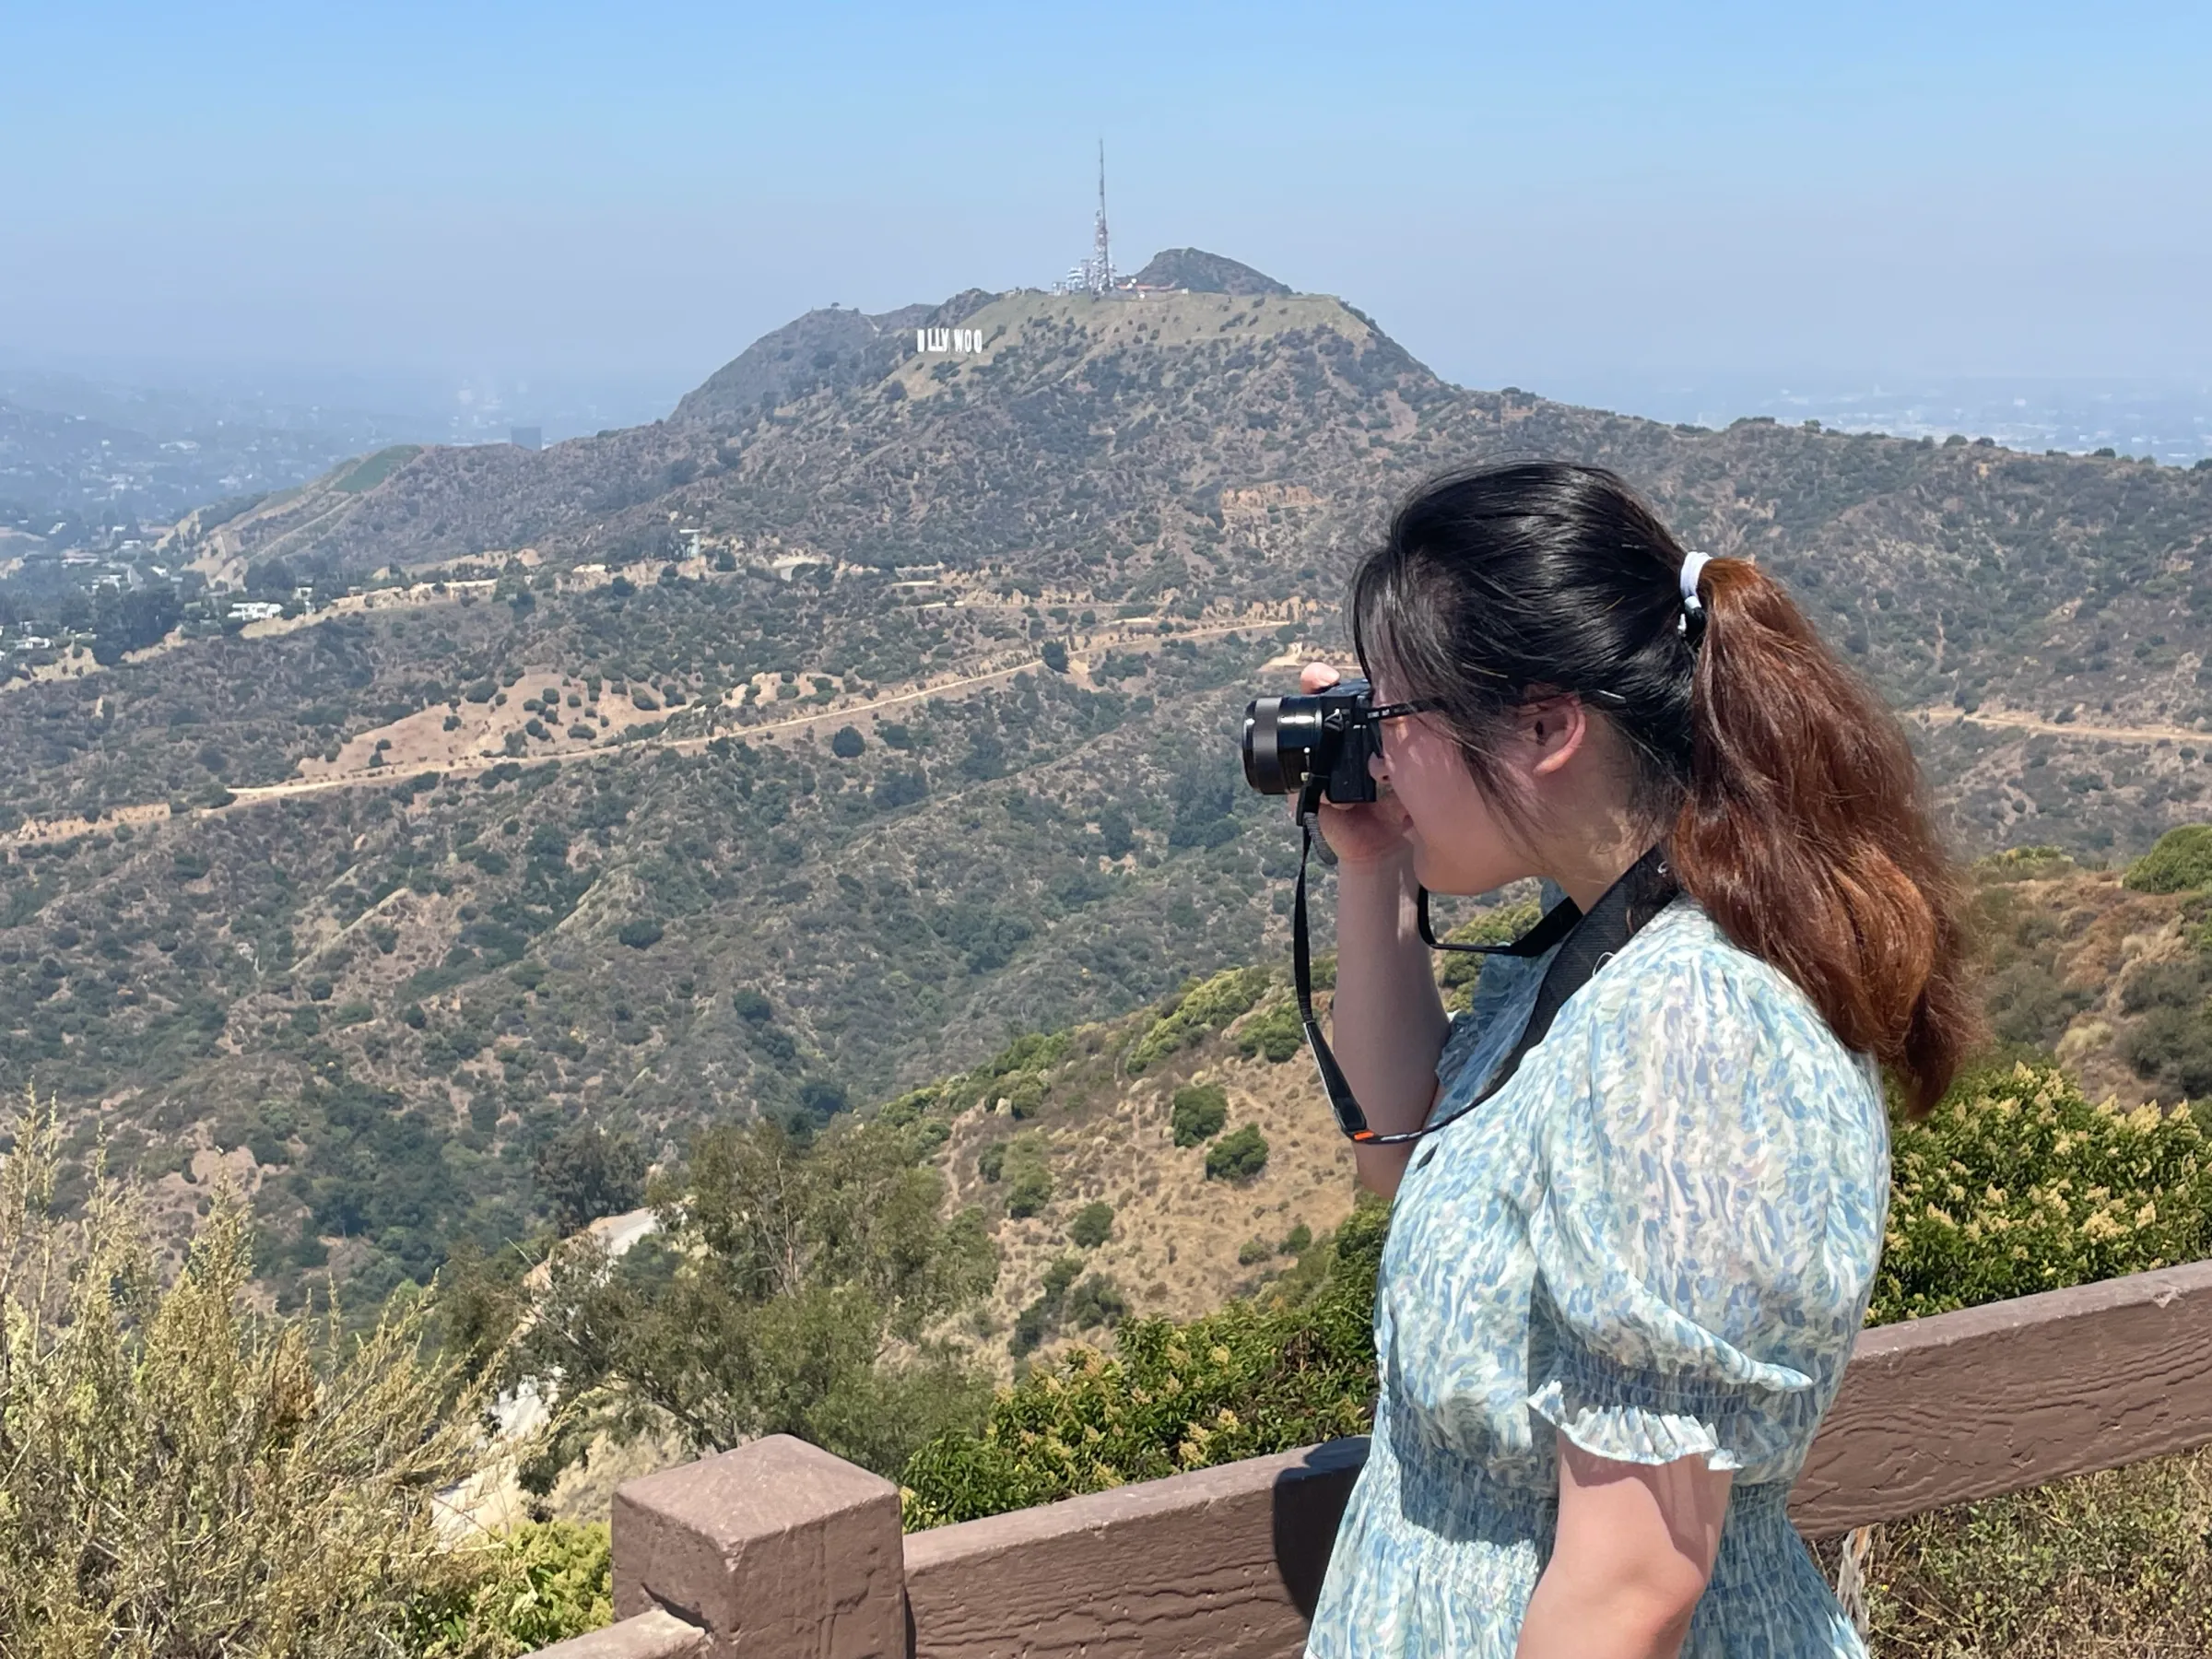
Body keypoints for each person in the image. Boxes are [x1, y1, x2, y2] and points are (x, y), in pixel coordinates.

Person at [1298, 462, 1976, 1659]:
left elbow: (1632, 1587)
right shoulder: (1587, 970)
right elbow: (1399, 1146)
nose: (1378, 756)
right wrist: (1371, 865)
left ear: (1551, 727)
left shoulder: (1691, 1030)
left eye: (1394, 719)